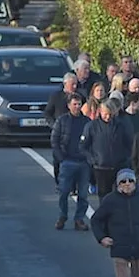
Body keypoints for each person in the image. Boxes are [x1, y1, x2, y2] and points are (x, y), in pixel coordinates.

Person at [80, 100, 134, 205]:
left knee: (120, 196)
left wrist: (125, 159)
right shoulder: (91, 126)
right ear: (100, 111)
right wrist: (93, 160)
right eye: (105, 114)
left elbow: (129, 144)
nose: (108, 117)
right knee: (104, 197)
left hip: (119, 167)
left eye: (110, 114)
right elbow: (83, 146)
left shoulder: (121, 126)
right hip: (101, 169)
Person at [50, 92, 90, 230]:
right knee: (64, 191)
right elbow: (54, 140)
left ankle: (79, 219)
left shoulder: (87, 122)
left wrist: (90, 158)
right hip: (68, 161)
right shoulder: (62, 121)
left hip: (84, 162)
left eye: (79, 104)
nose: (77, 107)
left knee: (83, 194)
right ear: (68, 105)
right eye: (74, 104)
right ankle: (63, 216)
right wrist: (61, 158)